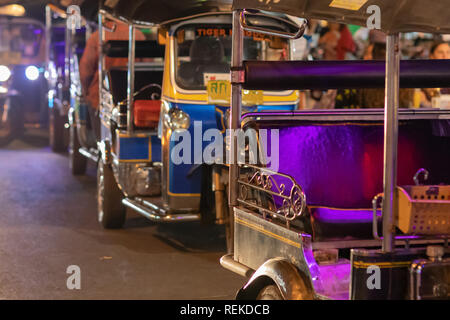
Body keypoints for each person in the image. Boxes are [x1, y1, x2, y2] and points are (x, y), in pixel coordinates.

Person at [79, 22, 145, 138]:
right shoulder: (138, 35)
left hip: (102, 95)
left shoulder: (97, 36)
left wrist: (86, 91)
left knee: (101, 138)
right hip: (133, 95)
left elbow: (85, 69)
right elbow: (145, 66)